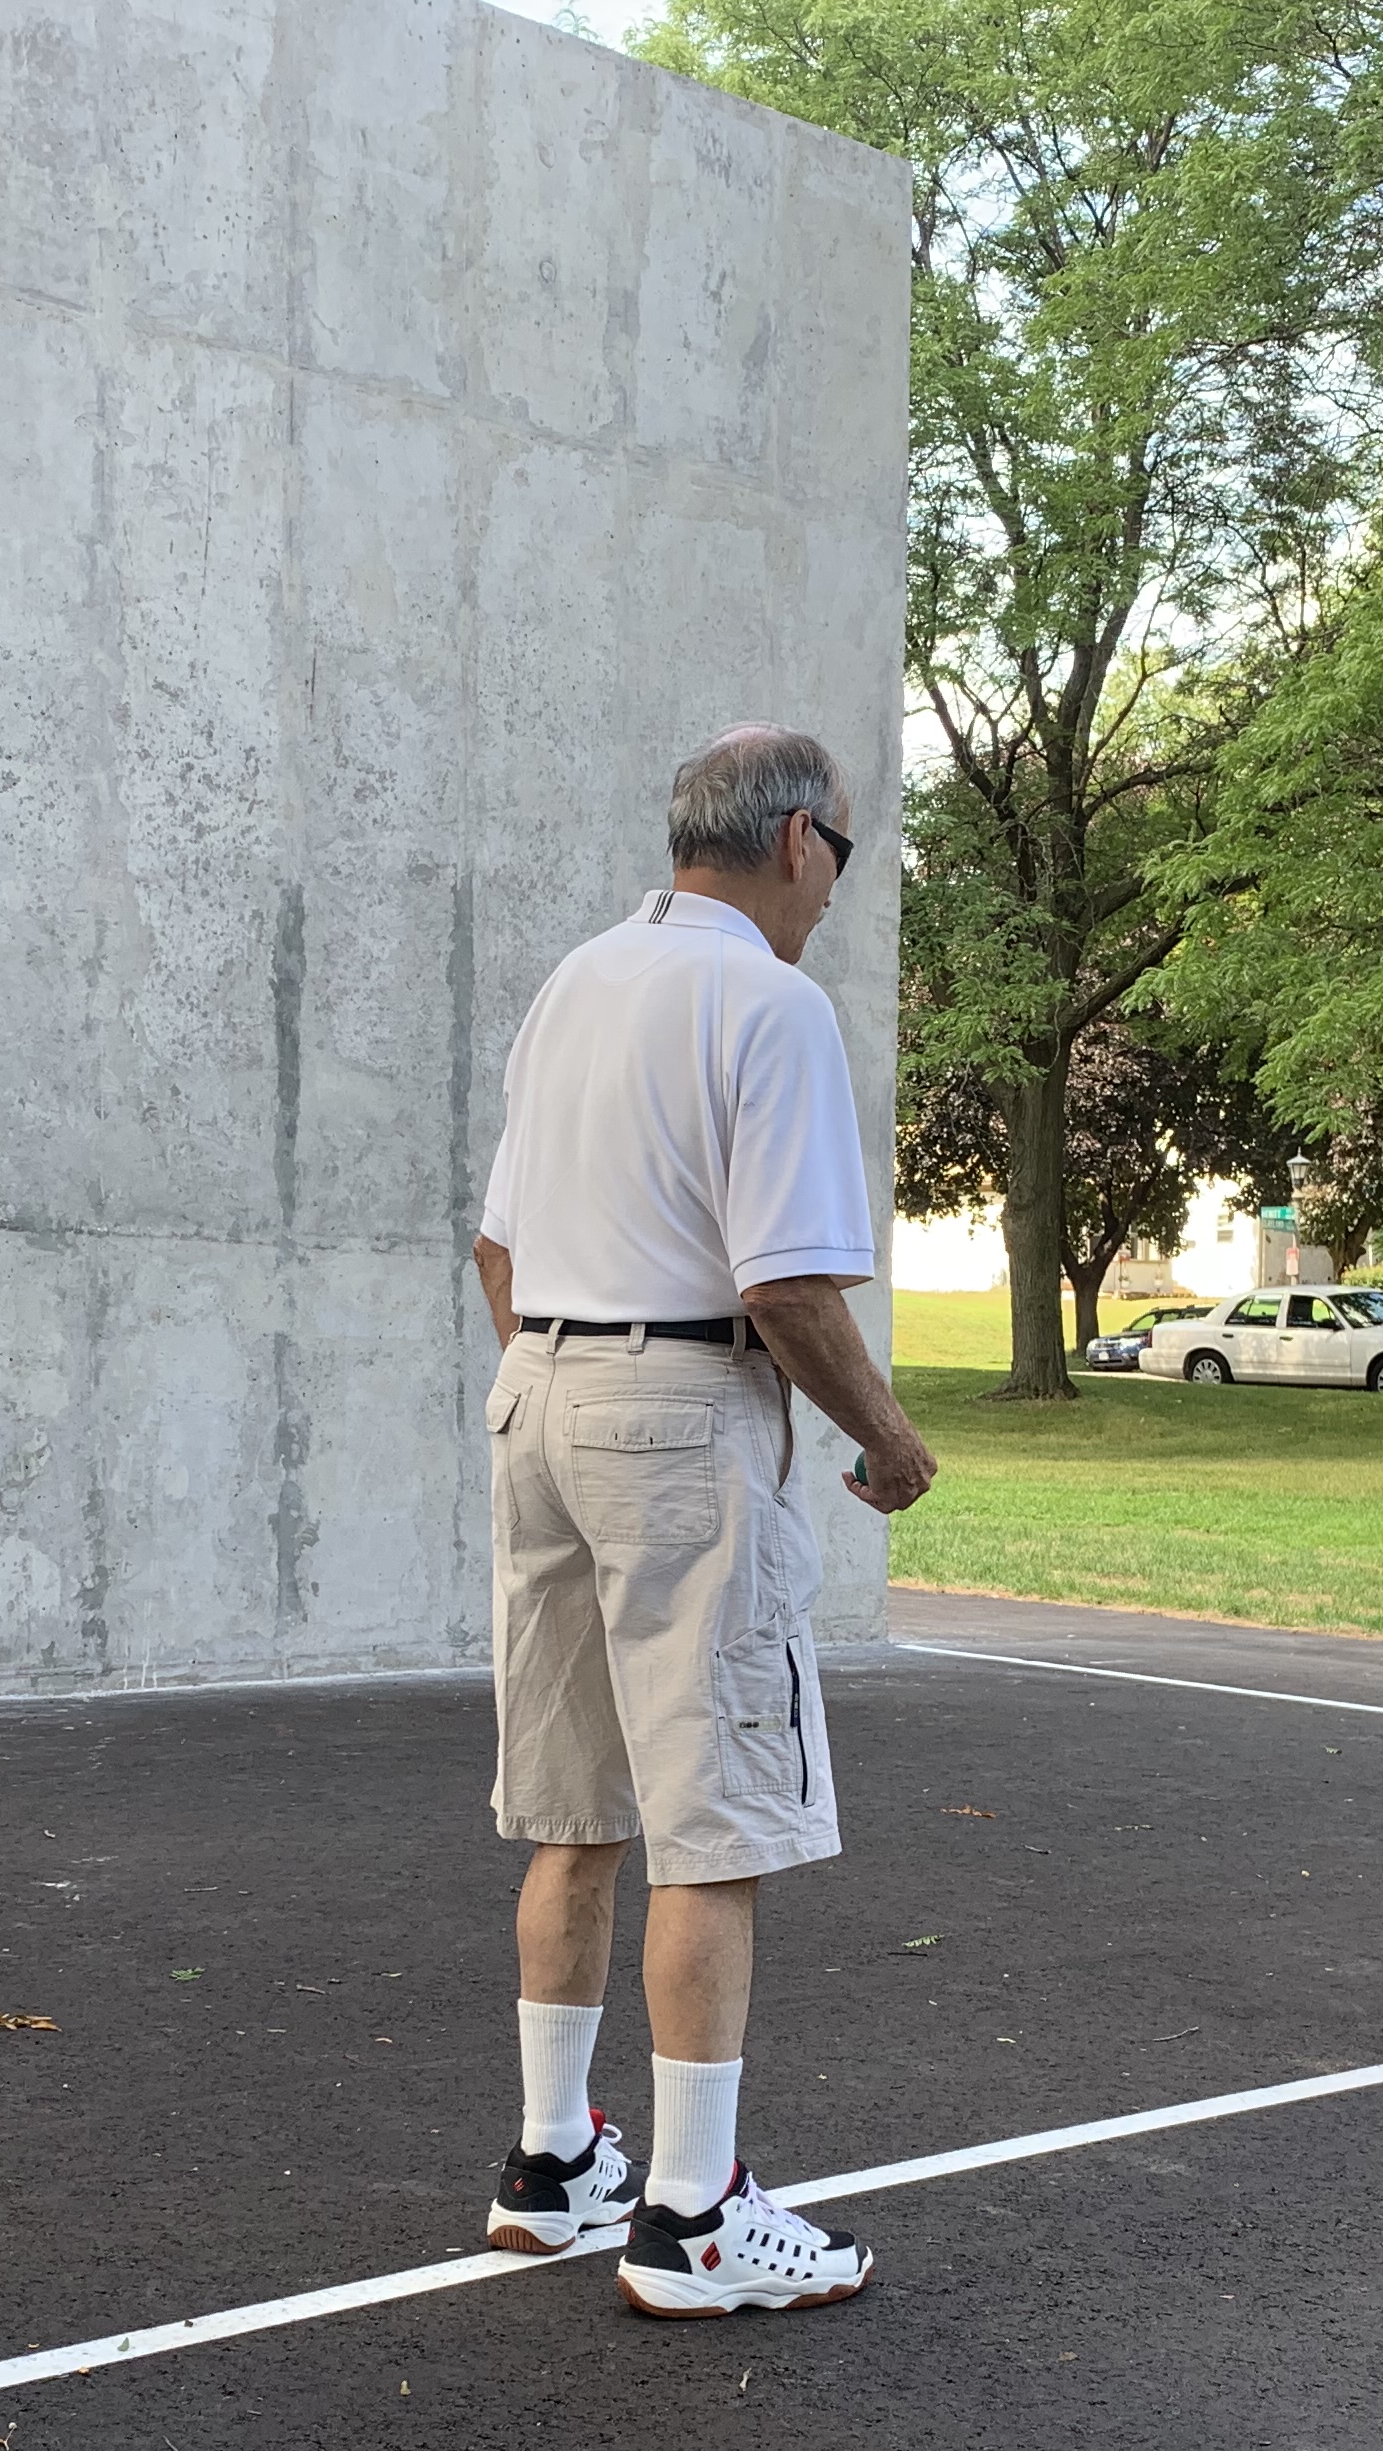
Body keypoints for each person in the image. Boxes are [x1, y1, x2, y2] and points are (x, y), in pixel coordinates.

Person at [466, 724, 939, 2317]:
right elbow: (788, 1280)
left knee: (573, 1808)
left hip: (540, 1390)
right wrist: (890, 1442)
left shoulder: (577, 983)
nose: (837, 888)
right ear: (799, 839)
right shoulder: (769, 1001)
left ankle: (552, 2166)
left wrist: (564, 1381)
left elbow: (494, 1245)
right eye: (846, 855)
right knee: (714, 1818)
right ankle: (695, 2216)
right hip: (679, 1407)